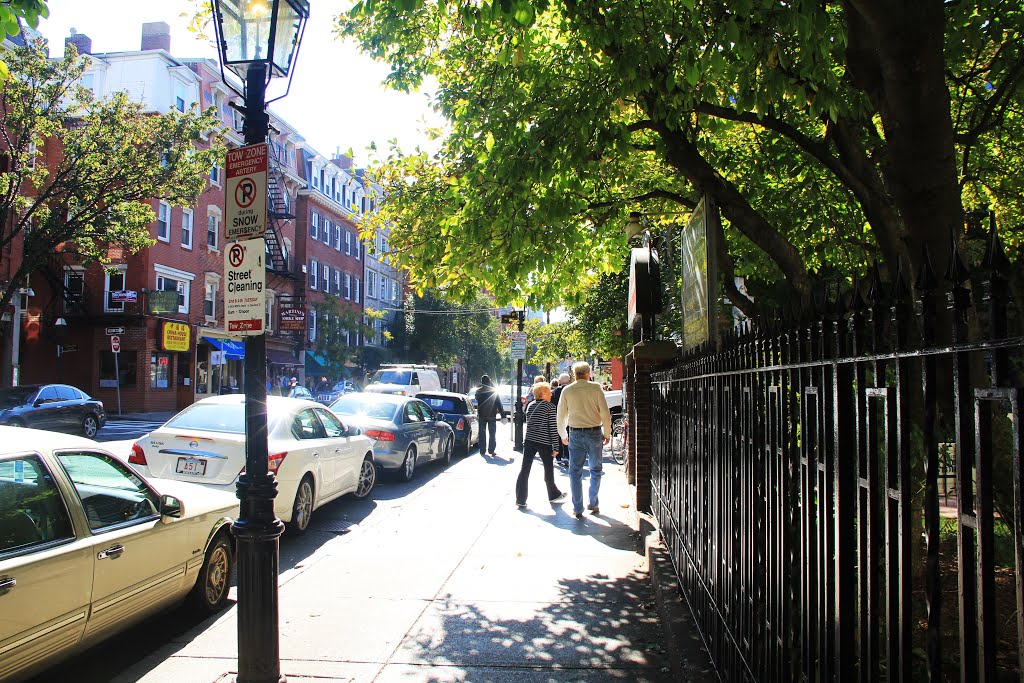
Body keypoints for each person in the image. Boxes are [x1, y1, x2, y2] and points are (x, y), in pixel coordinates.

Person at [556, 361, 612, 518]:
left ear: (575, 374)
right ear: (588, 373)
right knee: (595, 469)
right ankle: (593, 502)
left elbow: (561, 415)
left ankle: (578, 507)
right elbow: (605, 413)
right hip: (594, 433)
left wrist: (563, 434)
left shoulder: (567, 390)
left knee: (575, 472)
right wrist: (607, 433)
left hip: (575, 434)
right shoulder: (596, 388)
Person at [515, 382, 565, 507]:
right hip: (544, 442)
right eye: (549, 392)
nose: (551, 395)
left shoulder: (530, 405)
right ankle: (553, 494)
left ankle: (520, 498)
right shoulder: (550, 407)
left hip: (530, 440)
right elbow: (553, 428)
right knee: (548, 469)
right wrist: (556, 447)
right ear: (543, 393)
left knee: (525, 469)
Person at [474, 375, 507, 456]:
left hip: (482, 414)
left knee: (482, 433)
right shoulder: (493, 391)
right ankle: (491, 450)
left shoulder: (479, 391)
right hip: (492, 414)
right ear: (489, 381)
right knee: (492, 433)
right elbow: (498, 403)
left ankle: (482, 450)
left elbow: (476, 398)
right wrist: (502, 414)